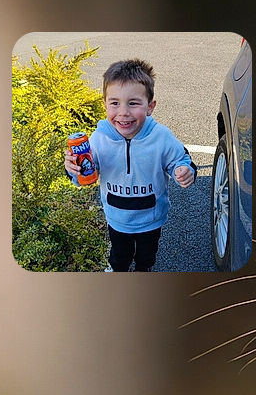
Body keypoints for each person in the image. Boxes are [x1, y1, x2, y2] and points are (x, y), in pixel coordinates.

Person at [64, 58, 195, 272]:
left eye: (133, 103)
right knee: (119, 257)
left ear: (150, 106)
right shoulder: (97, 139)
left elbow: (181, 159)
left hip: (151, 218)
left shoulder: (161, 137)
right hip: (117, 218)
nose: (123, 112)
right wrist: (74, 170)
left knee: (146, 258)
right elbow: (85, 175)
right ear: (104, 104)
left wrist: (184, 171)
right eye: (115, 103)